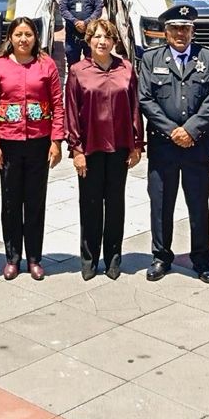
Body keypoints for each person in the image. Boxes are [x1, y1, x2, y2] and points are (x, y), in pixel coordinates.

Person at [137, 4, 209, 283]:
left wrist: (191, 130)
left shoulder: (208, 58)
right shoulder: (151, 58)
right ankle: (161, 257)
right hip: (164, 146)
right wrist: (173, 131)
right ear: (165, 32)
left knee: (198, 204)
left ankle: (201, 259)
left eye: (185, 28)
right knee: (161, 204)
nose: (180, 34)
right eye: (174, 29)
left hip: (197, 145)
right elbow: (145, 98)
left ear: (192, 31)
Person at [0, 17, 65, 281]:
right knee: (10, 202)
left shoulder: (46, 64)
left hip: (38, 143)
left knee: (35, 202)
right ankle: (12, 258)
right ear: (10, 37)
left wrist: (56, 140)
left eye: (28, 34)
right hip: (8, 143)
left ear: (35, 37)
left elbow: (57, 104)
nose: (23, 39)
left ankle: (34, 258)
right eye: (18, 34)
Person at [65, 18, 142, 280]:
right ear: (89, 40)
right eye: (97, 36)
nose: (102, 41)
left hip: (119, 147)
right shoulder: (78, 71)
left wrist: (136, 144)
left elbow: (135, 108)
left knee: (116, 204)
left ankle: (113, 258)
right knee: (90, 204)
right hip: (90, 148)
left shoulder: (126, 68)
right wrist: (76, 150)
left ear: (114, 41)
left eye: (107, 37)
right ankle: (89, 258)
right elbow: (71, 111)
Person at [58, 0, 104, 68]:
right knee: (73, 67)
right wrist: (75, 22)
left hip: (90, 35)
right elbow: (63, 9)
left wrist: (86, 23)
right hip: (72, 36)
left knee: (92, 66)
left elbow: (98, 10)